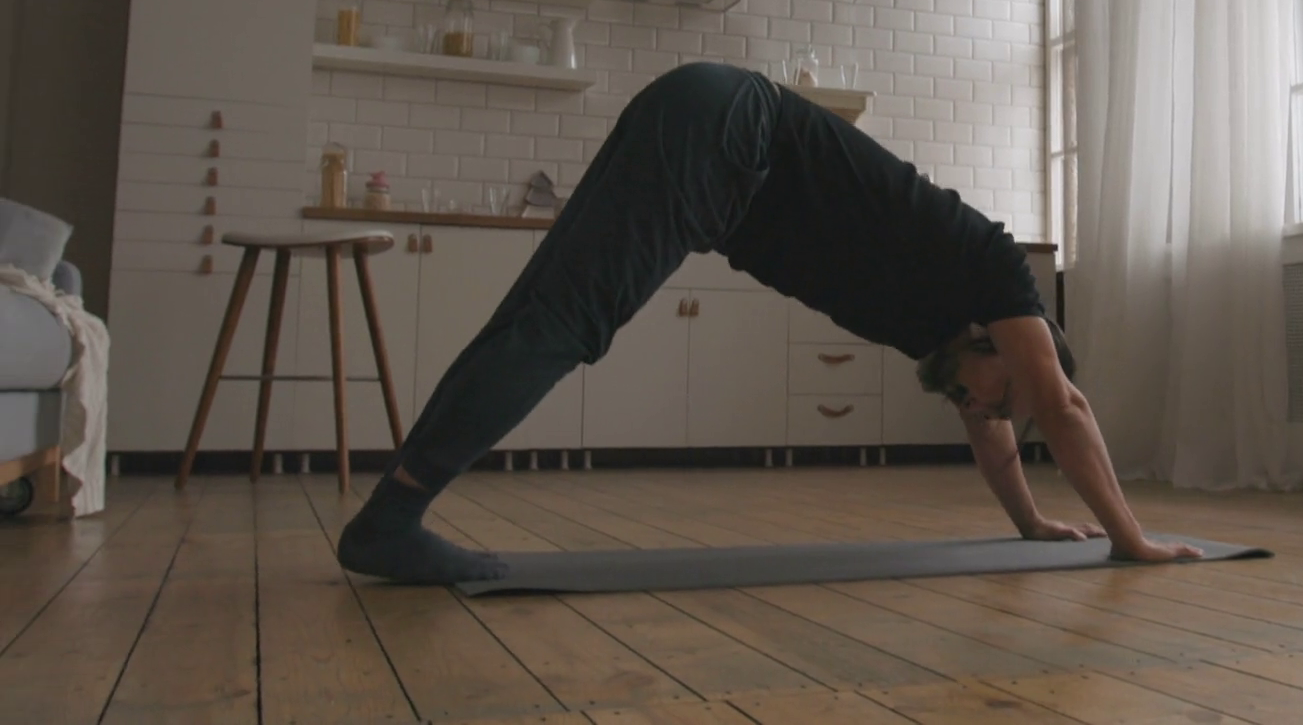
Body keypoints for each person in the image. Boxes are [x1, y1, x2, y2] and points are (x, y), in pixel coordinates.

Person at [336, 61, 1201, 584]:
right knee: (561, 324)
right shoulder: (996, 269)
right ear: (1009, 343)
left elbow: (994, 433)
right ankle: (392, 521)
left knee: (545, 318)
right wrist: (1131, 539)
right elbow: (1063, 407)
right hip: (726, 134)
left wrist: (1031, 525)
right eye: (1002, 397)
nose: (985, 412)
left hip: (706, 127)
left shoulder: (947, 330)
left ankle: (391, 516)